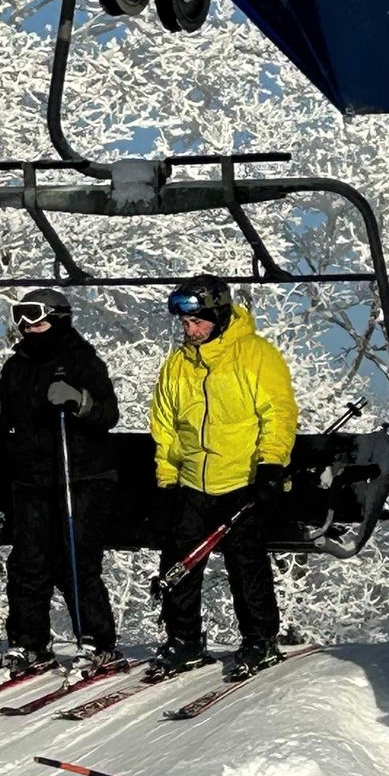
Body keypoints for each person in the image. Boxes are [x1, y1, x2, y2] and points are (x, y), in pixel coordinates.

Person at [149, 274, 299, 681]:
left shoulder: (255, 355)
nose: (190, 330)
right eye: (185, 323)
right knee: (179, 561)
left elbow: (278, 412)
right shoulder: (178, 365)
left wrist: (270, 464)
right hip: (193, 481)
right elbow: (165, 427)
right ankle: (184, 640)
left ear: (218, 316)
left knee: (245, 561)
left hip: (241, 478)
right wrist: (167, 479)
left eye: (197, 321)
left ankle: (260, 639)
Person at [0, 287, 120, 673]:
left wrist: (79, 402)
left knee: (75, 561)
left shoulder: (82, 360)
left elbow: (108, 414)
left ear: (59, 320)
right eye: (22, 322)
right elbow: (5, 418)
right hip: (31, 477)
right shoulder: (17, 366)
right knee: (28, 562)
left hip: (80, 475)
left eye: (38, 322)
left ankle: (97, 640)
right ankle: (29, 640)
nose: (29, 329)